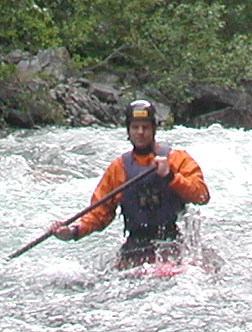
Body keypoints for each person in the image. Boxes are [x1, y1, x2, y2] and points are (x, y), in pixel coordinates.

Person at [54, 99, 209, 266]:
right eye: (135, 127)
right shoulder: (118, 168)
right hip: (136, 245)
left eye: (145, 127)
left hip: (172, 243)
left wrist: (170, 176)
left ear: (154, 129)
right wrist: (73, 231)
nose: (140, 132)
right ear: (128, 131)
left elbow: (201, 195)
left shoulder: (176, 159)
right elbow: (99, 213)